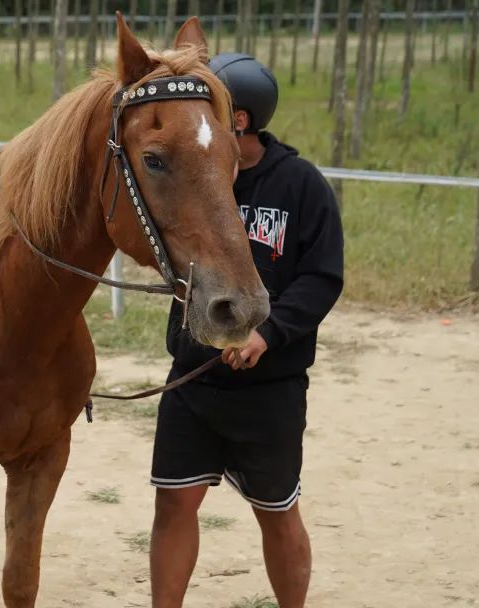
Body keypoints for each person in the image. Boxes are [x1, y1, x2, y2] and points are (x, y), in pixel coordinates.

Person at [148, 53, 345, 608]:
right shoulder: (196, 178)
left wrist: (267, 333)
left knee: (277, 512)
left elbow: (322, 277)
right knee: (173, 504)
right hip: (194, 378)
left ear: (239, 120)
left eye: (211, 107)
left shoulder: (301, 186)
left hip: (270, 387)